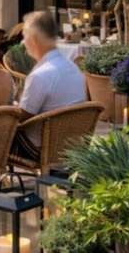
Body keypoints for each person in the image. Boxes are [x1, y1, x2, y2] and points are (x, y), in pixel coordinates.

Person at [12, 11, 87, 160]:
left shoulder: (40, 75)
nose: (23, 43)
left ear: (33, 39)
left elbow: (22, 118)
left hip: (41, 148)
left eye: (24, 37)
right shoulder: (73, 67)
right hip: (72, 145)